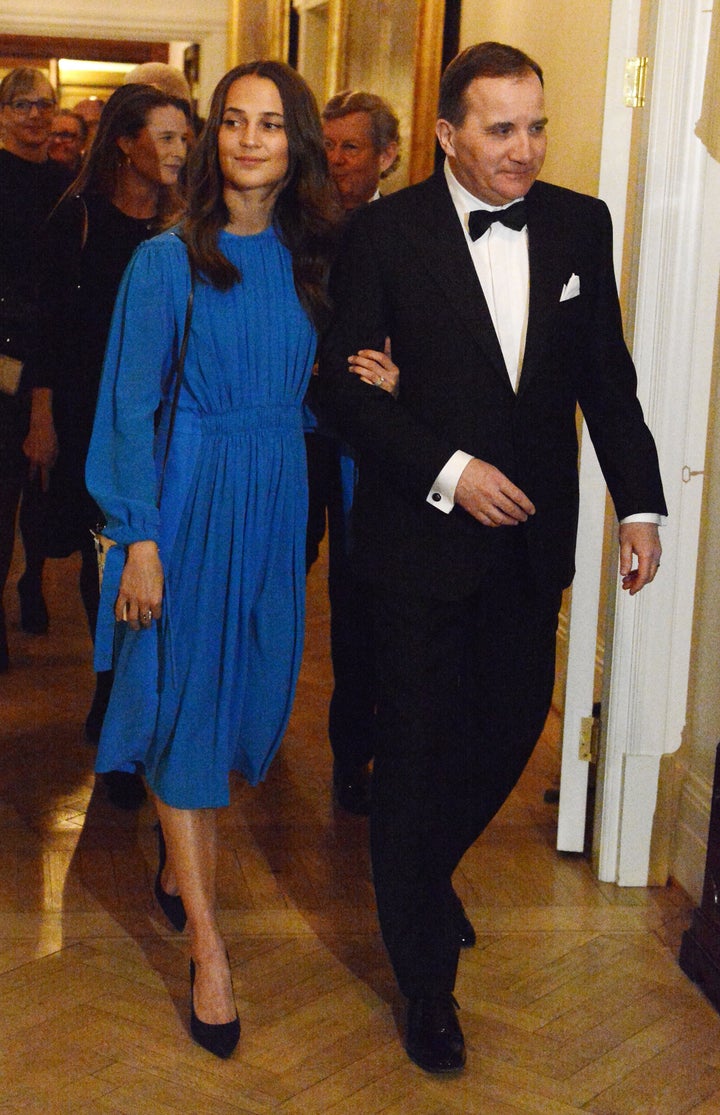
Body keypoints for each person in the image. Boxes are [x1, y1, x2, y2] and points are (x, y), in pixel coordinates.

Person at [316, 41, 666, 1074]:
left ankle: (423, 872)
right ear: (448, 133)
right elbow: (341, 389)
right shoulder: (383, 232)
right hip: (416, 546)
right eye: (501, 129)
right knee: (416, 758)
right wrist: (449, 467)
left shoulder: (577, 223)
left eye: (536, 126)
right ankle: (427, 983)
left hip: (529, 549)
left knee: (510, 730)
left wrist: (639, 505)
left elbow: (606, 378)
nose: (525, 150)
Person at [85, 60, 338, 1057]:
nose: (246, 139)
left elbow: (313, 389)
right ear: (207, 139)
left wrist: (374, 375)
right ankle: (210, 950)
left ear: (294, 143)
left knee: (242, 706)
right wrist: (137, 537)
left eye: (269, 124)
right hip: (184, 505)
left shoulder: (318, 258)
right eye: (230, 121)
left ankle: (173, 859)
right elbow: (126, 407)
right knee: (187, 705)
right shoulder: (164, 260)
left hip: (275, 497)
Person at [22, 83, 192, 808]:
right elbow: (48, 330)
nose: (179, 152)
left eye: (186, 138)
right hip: (94, 411)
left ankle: (141, 704)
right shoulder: (79, 218)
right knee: (108, 562)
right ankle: (111, 695)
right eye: (164, 137)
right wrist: (43, 417)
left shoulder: (188, 225)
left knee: (154, 562)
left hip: (168, 421)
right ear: (125, 140)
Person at [305, 91, 400, 814]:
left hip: (366, 445)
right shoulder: (294, 227)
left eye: (351, 147)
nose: (336, 159)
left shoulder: (406, 234)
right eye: (328, 144)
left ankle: (354, 755)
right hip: (292, 435)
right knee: (272, 579)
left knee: (360, 599)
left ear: (386, 156)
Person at [0, 67, 70, 672]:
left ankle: (33, 584)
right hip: (1, 353)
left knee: (44, 495)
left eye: (44, 105)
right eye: (23, 104)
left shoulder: (65, 184)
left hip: (50, 352)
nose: (35, 115)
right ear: (2, 113)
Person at [47, 109, 87, 175]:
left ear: (82, 143)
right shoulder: (35, 174)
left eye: (66, 135)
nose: (57, 141)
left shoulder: (89, 177)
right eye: (52, 134)